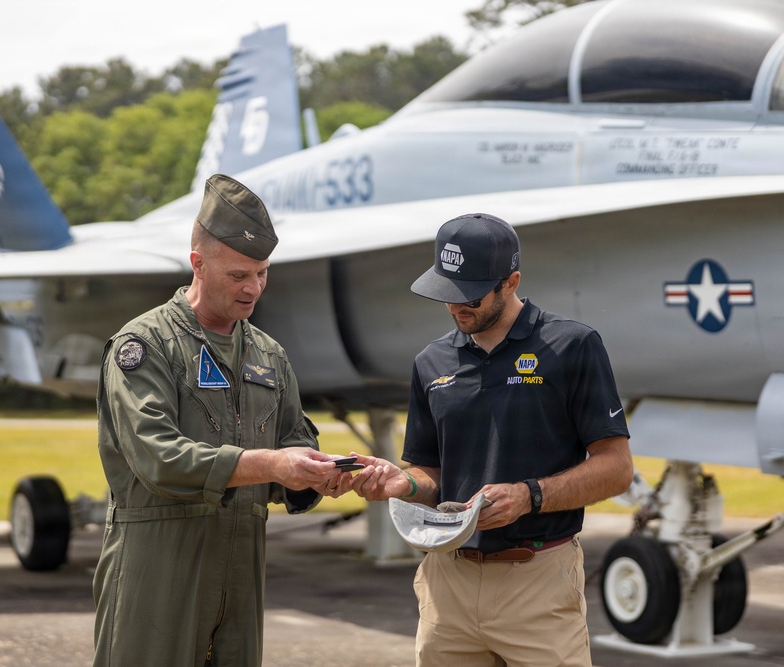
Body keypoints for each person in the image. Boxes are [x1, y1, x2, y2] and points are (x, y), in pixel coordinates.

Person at [349, 212, 634, 667]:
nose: (456, 308)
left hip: (538, 582)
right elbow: (431, 474)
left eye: (470, 296)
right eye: (446, 294)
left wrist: (529, 496)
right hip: (448, 585)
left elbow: (616, 468)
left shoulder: (572, 346)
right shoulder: (430, 362)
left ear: (511, 281)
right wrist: (400, 483)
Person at [93, 174, 343, 667]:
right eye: (238, 276)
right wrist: (271, 464)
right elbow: (157, 457)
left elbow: (294, 439)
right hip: (158, 574)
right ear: (198, 264)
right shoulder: (145, 346)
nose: (254, 289)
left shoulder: (269, 354)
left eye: (263, 273)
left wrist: (318, 472)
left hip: (240, 578)